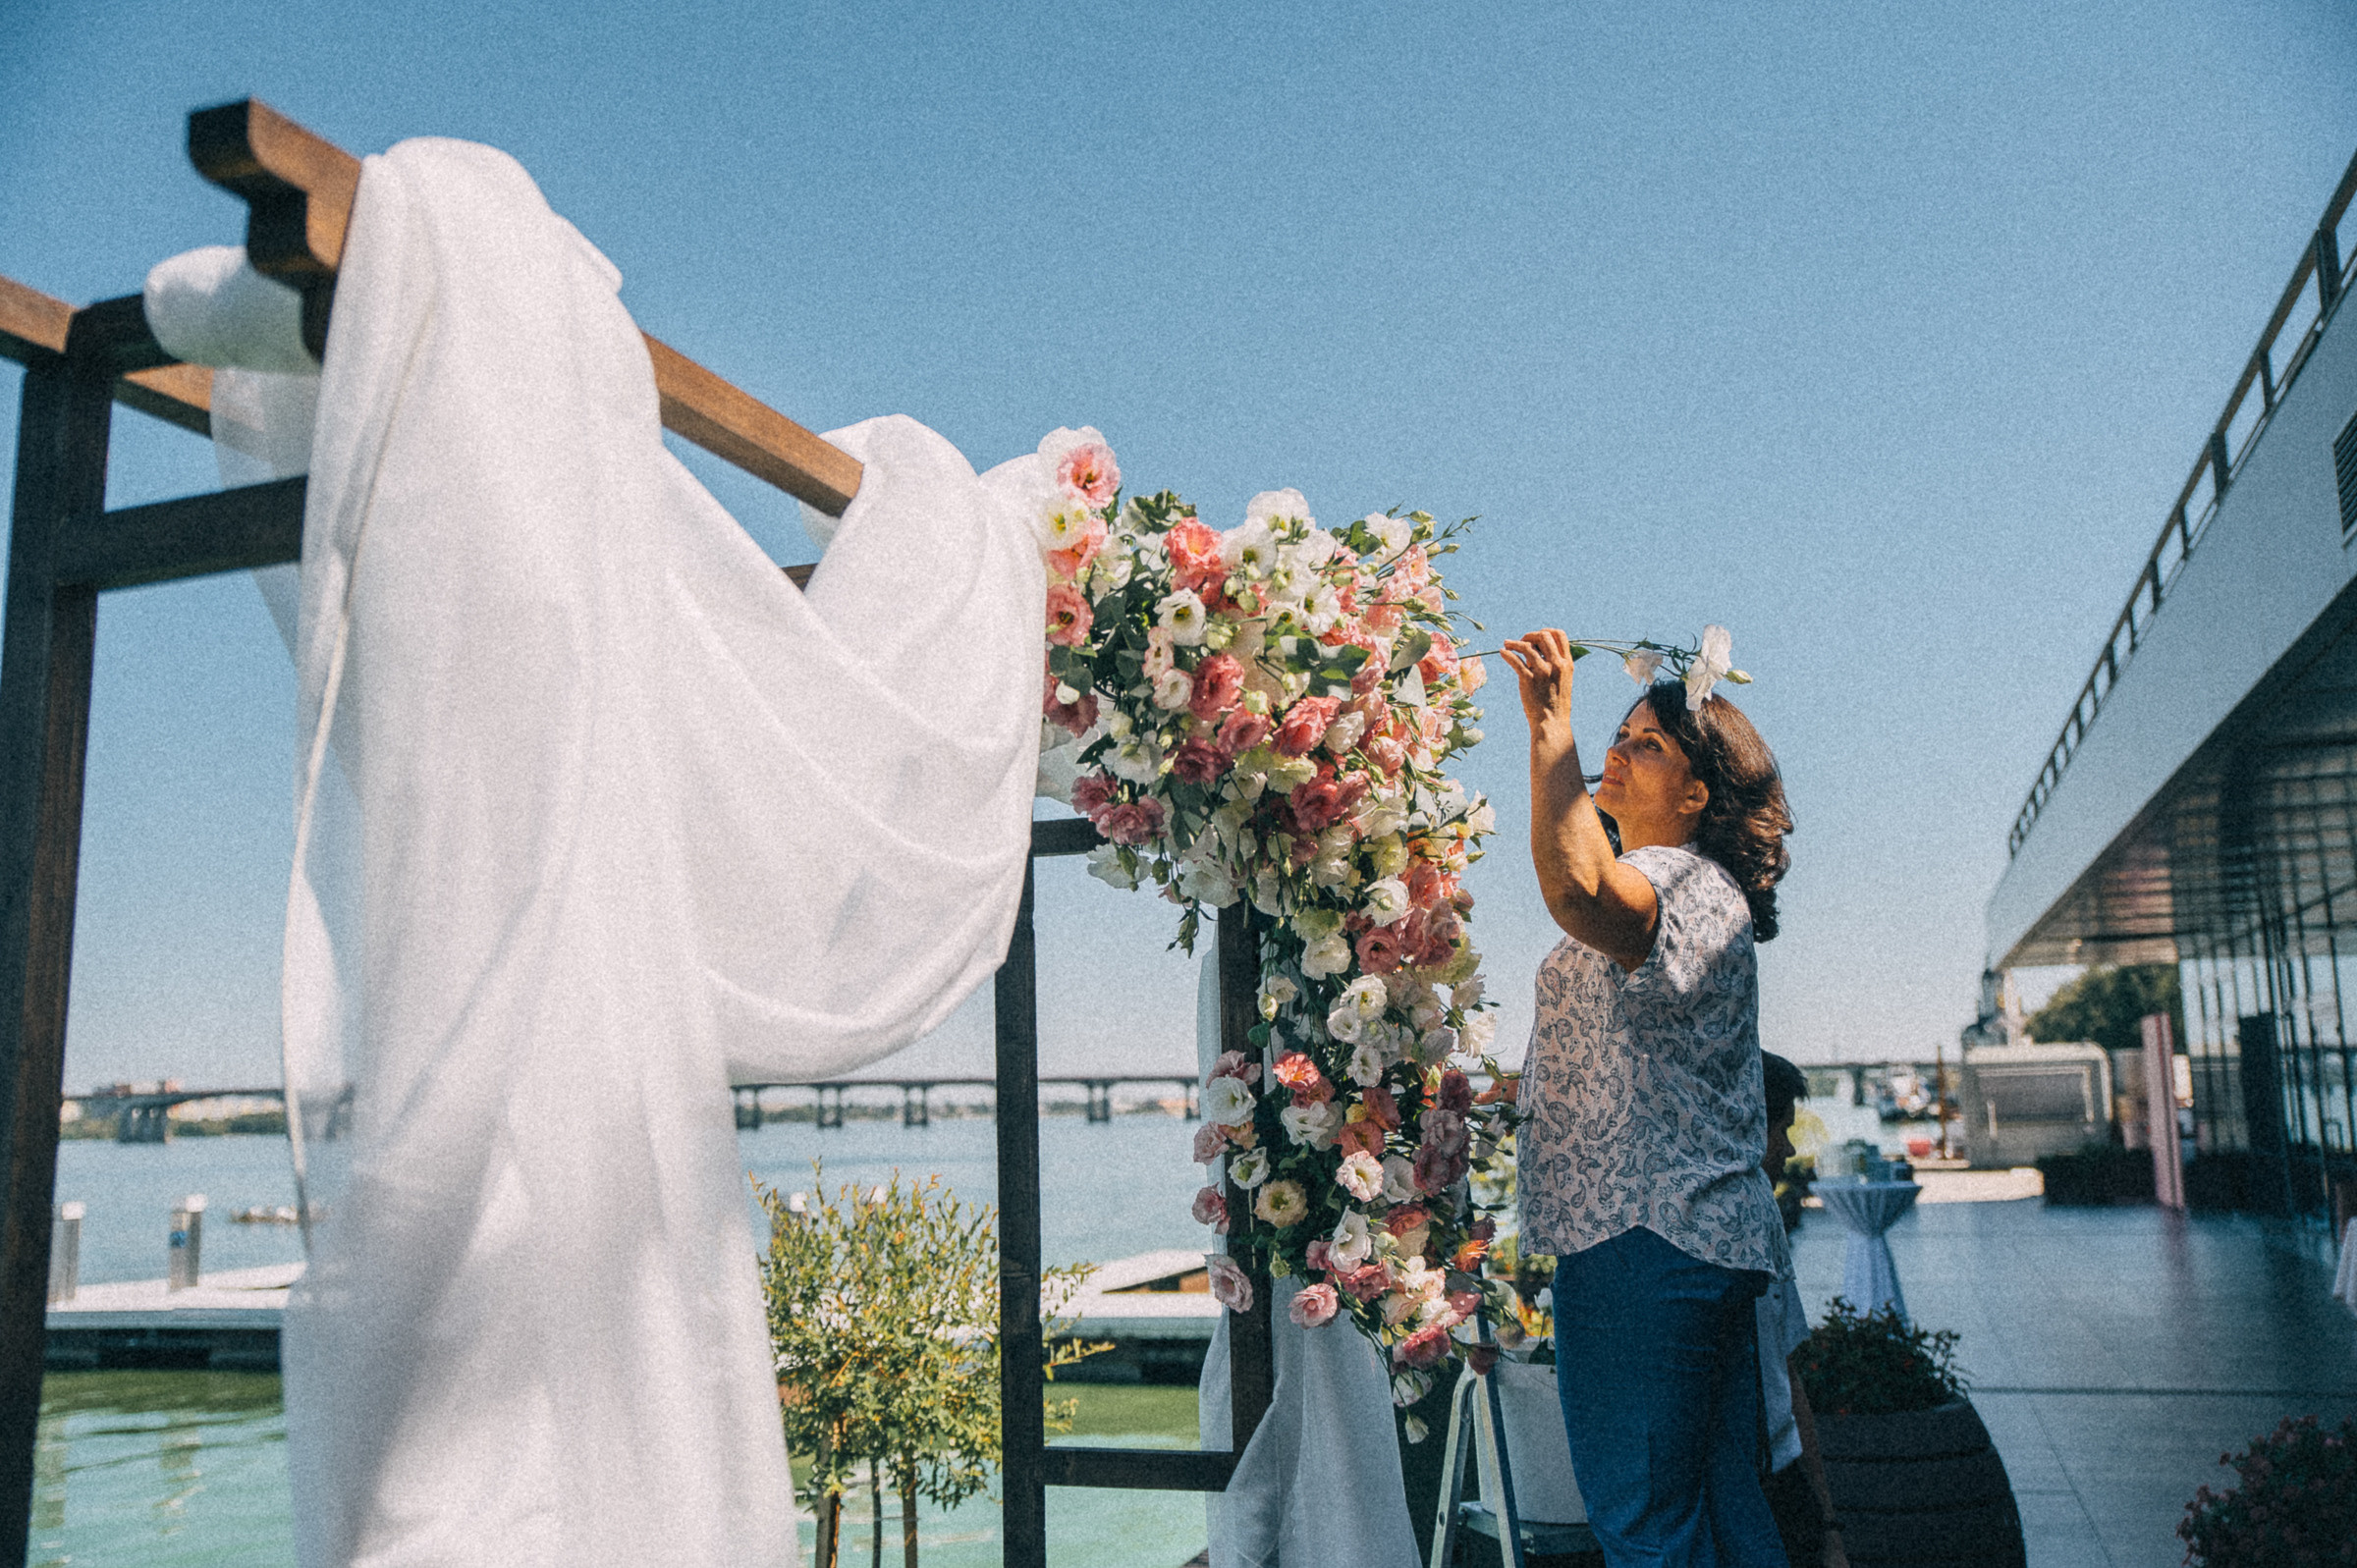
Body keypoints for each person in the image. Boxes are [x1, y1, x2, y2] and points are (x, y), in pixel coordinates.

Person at [1501, 628, 1795, 1568]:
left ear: (1699, 793)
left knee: (1646, 1529)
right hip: (1689, 1244)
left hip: (1644, 1239)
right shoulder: (1704, 892)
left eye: (1645, 745)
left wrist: (1553, 730)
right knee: (1727, 1519)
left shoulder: (1684, 879)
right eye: (1615, 737)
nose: (1614, 756)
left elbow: (1584, 887)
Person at [1757, 1053, 1850, 1568]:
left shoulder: (1766, 1225)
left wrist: (1828, 1525)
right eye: (1781, 1131)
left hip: (1785, 1477)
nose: (1789, 1149)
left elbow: (1788, 1377)